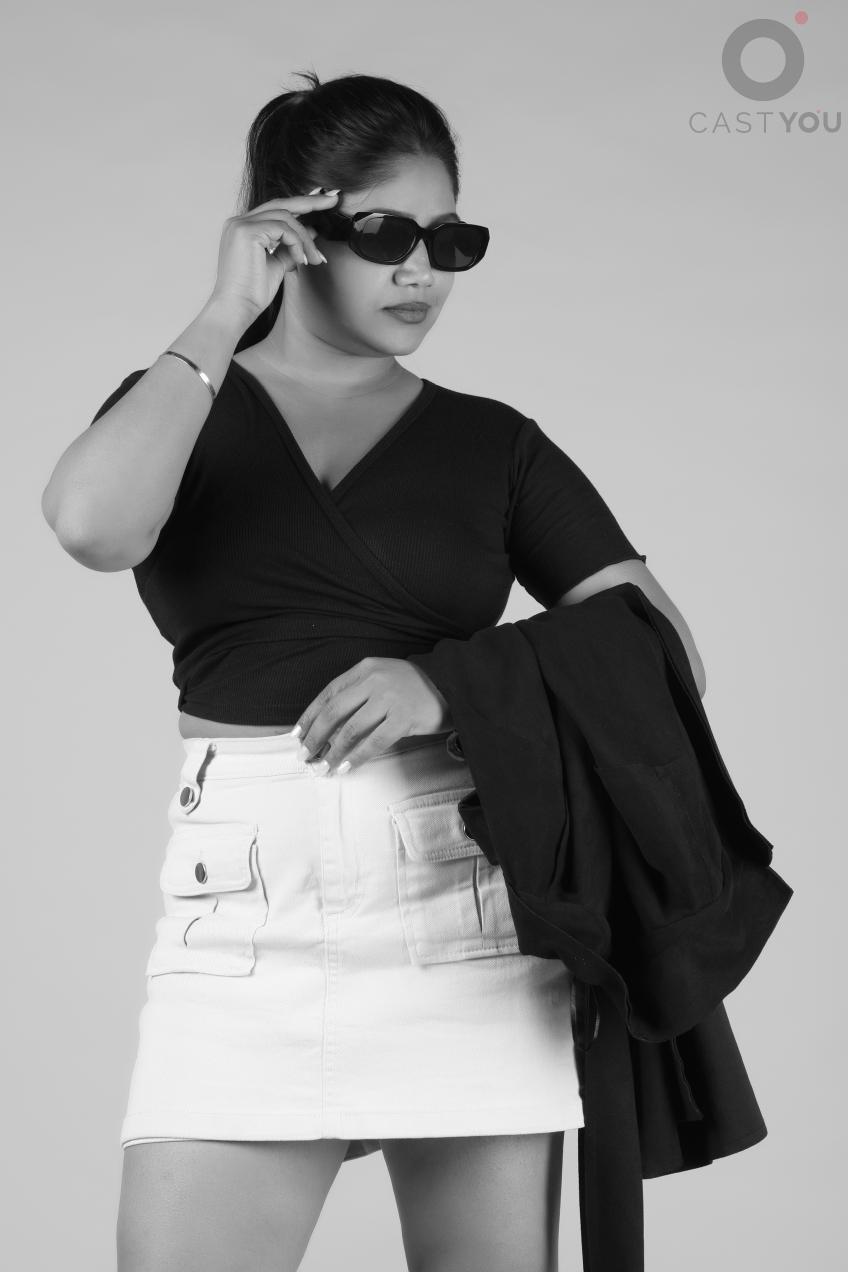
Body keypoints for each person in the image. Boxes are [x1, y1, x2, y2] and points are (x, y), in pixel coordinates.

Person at [41, 71, 704, 1272]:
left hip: (459, 914)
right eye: (387, 234)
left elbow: (659, 652)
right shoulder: (180, 408)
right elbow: (92, 526)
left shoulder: (492, 444)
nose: (423, 273)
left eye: (450, 242)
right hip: (240, 920)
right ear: (292, 232)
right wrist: (220, 313)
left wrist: (446, 682)